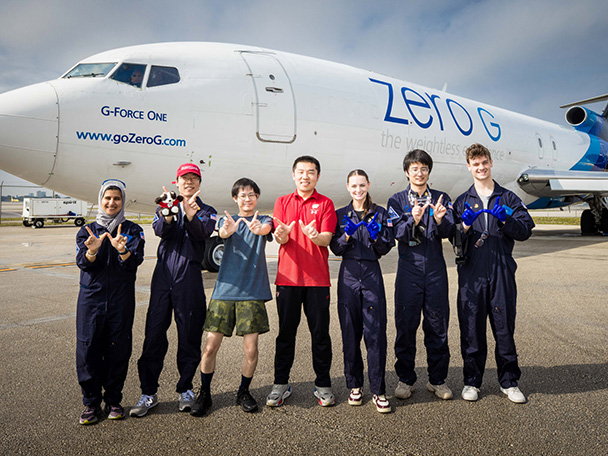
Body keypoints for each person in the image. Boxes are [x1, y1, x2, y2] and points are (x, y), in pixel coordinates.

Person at [130, 163, 217, 417]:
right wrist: (169, 213)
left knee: (189, 335)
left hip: (189, 277)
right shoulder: (166, 205)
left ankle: (185, 389)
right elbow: (160, 230)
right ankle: (148, 393)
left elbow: (203, 232)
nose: (188, 182)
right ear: (176, 181)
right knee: (154, 333)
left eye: (193, 178)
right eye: (184, 178)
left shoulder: (207, 210)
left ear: (199, 183)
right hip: (163, 276)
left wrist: (190, 214)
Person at [453, 143, 534, 403]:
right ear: (469, 167)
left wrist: (505, 219)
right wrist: (463, 227)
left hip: (501, 271)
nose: (480, 167)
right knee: (472, 328)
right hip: (472, 273)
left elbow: (525, 230)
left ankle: (509, 382)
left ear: (490, 163)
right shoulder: (463, 201)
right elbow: (453, 240)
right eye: (475, 164)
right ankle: (472, 382)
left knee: (503, 328)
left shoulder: (508, 197)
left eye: (484, 162)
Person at [190, 178, 273, 416]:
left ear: (257, 197)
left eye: (251, 195)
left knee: (251, 350)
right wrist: (226, 231)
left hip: (252, 293)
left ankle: (243, 391)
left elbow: (267, 229)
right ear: (235, 199)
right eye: (242, 195)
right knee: (209, 347)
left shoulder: (264, 219)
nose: (247, 199)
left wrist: (259, 229)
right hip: (224, 293)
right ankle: (204, 393)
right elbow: (222, 232)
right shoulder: (227, 221)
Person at [267, 155, 338, 407]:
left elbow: (327, 239)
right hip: (287, 280)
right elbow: (281, 239)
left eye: (310, 172)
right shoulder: (282, 202)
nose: (305, 176)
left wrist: (315, 235)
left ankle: (323, 384)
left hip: (317, 281)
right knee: (285, 334)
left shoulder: (326, 203)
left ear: (318, 176)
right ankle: (280, 383)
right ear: (293, 174)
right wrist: (281, 235)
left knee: (320, 335)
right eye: (300, 171)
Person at [387, 149, 456, 402]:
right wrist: (413, 220)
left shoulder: (441, 198)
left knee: (437, 327)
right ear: (407, 172)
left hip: (436, 270)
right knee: (405, 326)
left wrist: (439, 220)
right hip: (409, 270)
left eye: (424, 168)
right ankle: (405, 379)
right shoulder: (396, 201)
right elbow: (397, 233)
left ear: (429, 171)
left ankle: (437, 380)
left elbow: (450, 230)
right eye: (415, 168)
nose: (420, 172)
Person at [75, 179, 145, 425]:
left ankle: (114, 400)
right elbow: (83, 263)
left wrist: (121, 250)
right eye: (108, 198)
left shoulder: (133, 230)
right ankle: (91, 403)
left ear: (123, 201)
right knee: (88, 349)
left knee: (118, 350)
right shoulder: (87, 230)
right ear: (100, 200)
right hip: (91, 299)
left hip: (120, 300)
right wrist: (92, 250)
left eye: (117, 198)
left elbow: (134, 262)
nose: (112, 202)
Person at [330, 170, 394, 413]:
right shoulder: (339, 215)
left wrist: (377, 237)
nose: (358, 190)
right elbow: (335, 248)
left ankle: (378, 390)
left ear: (368, 185)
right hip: (348, 275)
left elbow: (386, 246)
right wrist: (346, 234)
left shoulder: (380, 213)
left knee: (375, 333)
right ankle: (355, 386)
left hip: (371, 273)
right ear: (348, 187)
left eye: (361, 185)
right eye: (353, 186)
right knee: (350, 332)